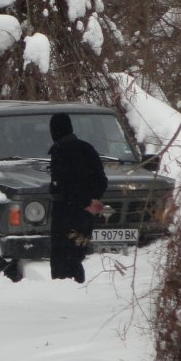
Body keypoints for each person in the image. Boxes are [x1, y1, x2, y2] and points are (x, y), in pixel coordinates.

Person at [47, 112, 107, 283]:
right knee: (77, 257)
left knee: (62, 262)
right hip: (85, 217)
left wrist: (84, 202)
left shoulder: (59, 151)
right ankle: (78, 292)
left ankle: (67, 300)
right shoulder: (87, 148)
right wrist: (93, 200)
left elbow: (63, 187)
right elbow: (101, 180)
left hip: (65, 215)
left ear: (54, 131)